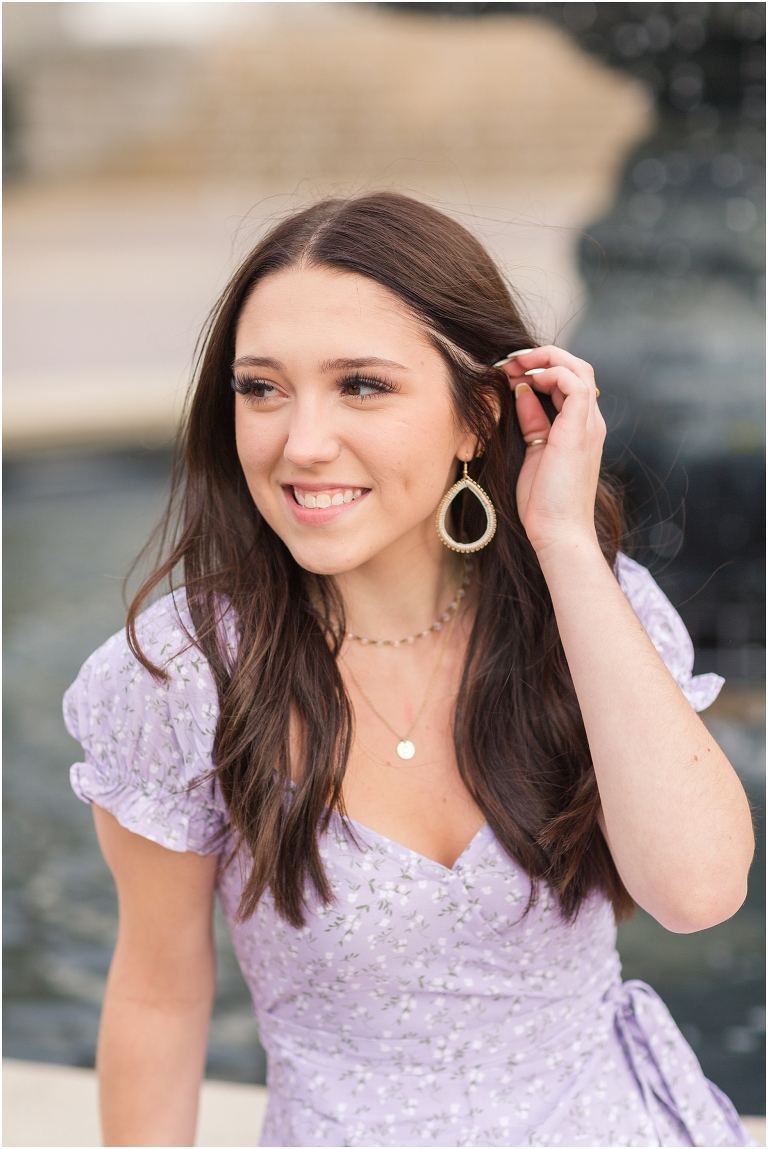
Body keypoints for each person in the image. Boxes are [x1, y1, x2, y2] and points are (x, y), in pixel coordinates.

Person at [64, 193, 756, 1148]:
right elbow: (158, 995)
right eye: (261, 388)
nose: (300, 441)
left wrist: (561, 539)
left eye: (361, 386)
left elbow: (695, 891)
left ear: (479, 415)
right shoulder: (180, 675)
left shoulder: (597, 609)